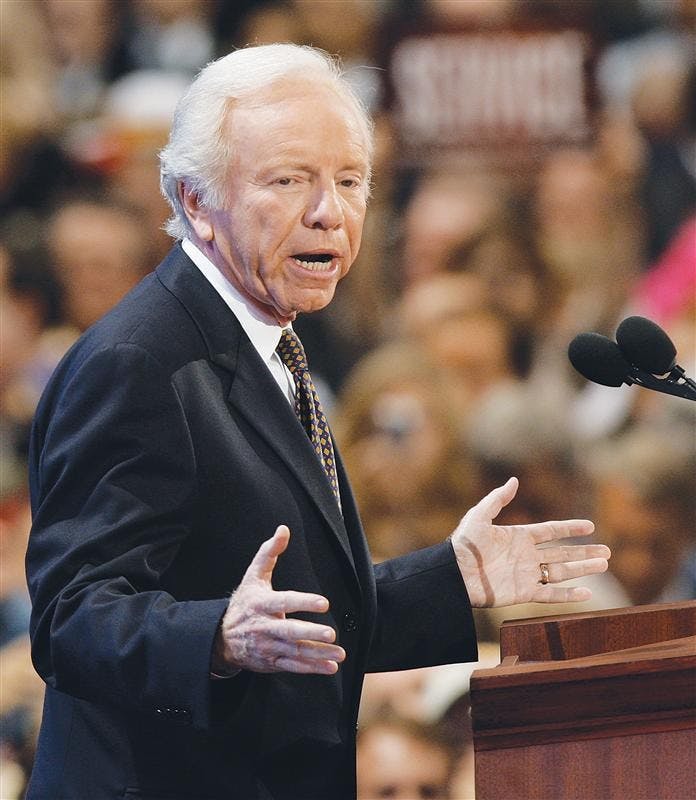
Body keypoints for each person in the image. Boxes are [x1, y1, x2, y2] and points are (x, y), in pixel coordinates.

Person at [25, 44, 610, 800]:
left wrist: (450, 579)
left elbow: (294, 622)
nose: (329, 211)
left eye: (350, 180)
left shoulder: (270, 342)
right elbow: (71, 620)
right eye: (289, 180)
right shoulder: (139, 361)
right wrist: (218, 638)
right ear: (195, 201)